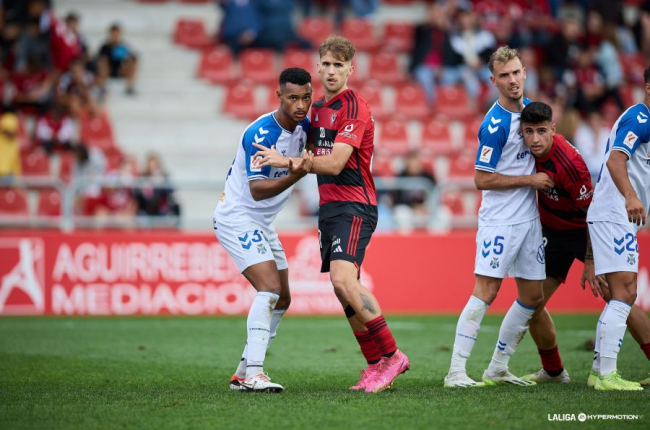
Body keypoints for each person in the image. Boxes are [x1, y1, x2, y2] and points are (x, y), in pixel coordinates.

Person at [254, 35, 410, 394]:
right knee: (343, 291)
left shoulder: (355, 107)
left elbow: (337, 162)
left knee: (343, 281)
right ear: (318, 66)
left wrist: (289, 162)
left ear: (350, 69)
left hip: (355, 204)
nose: (331, 70)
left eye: (339, 65)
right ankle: (374, 366)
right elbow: (311, 152)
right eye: (326, 64)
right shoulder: (319, 108)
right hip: (331, 208)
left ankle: (393, 355)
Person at [443, 46, 554, 388]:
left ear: (525, 73)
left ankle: (497, 367)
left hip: (529, 222)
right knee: (486, 291)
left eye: (516, 72)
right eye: (504, 75)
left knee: (533, 297)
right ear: (493, 80)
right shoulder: (494, 124)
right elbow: (481, 178)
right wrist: (529, 180)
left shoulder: (530, 113)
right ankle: (456, 371)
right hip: (500, 221)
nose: (512, 80)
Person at [213, 67, 314, 393]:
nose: (301, 105)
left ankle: (241, 371)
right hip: (237, 215)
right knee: (269, 288)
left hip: (261, 222)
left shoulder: (306, 127)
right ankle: (254, 372)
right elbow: (258, 189)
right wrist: (297, 173)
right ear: (279, 97)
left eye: (306, 97)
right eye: (293, 98)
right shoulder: (260, 133)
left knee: (283, 297)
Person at [584, 67, 650, 391]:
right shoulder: (640, 118)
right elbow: (614, 159)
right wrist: (632, 197)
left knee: (619, 293)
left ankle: (598, 371)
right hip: (615, 213)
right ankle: (607, 375)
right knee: (624, 293)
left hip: (615, 214)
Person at [97, 24, 138, 95]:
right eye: (113, 34)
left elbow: (132, 57)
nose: (115, 36)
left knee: (133, 62)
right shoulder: (105, 47)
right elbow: (100, 59)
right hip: (108, 71)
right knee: (103, 61)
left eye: (117, 34)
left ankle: (130, 87)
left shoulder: (123, 46)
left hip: (120, 70)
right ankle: (102, 86)